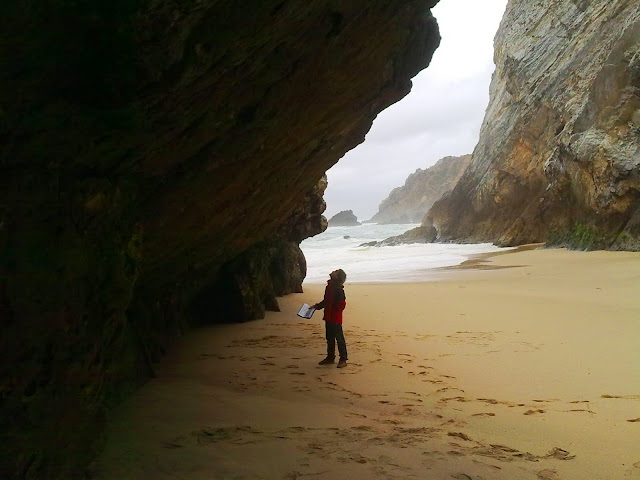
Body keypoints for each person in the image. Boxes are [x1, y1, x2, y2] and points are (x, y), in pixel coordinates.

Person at [313, 269, 348, 368]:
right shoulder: (329, 287)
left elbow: (342, 304)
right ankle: (330, 357)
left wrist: (334, 310)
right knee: (329, 337)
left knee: (339, 338)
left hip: (335, 317)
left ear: (337, 277)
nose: (333, 271)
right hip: (328, 316)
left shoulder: (339, 290)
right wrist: (316, 306)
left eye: (336, 272)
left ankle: (343, 359)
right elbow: (326, 301)